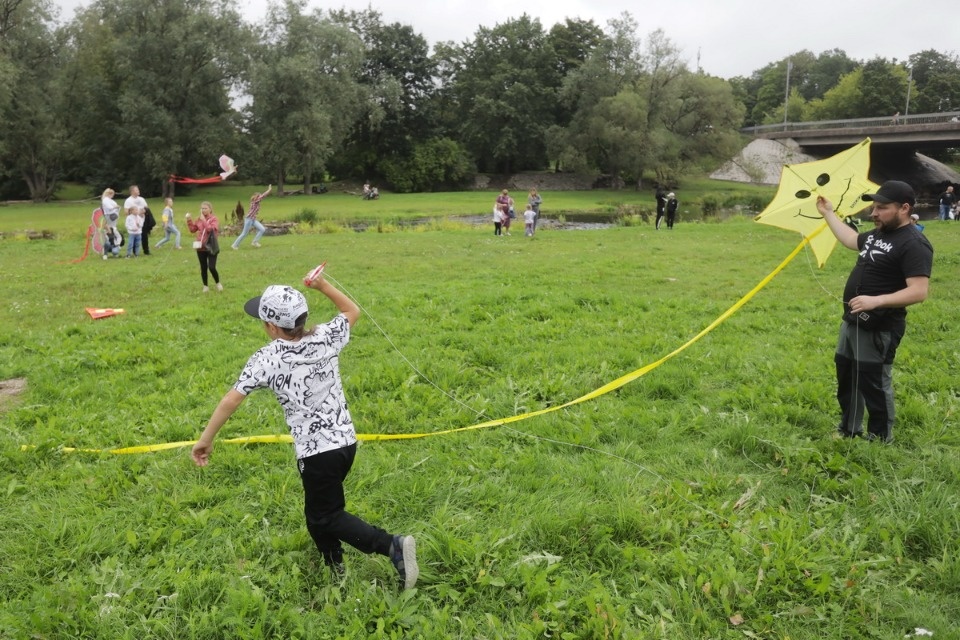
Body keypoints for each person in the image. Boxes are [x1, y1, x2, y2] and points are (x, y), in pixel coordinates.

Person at [190, 279, 418, 589]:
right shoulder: (325, 336)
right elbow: (352, 310)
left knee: (327, 515)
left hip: (317, 454)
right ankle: (334, 566)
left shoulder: (267, 358)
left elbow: (231, 400)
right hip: (346, 444)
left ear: (271, 326)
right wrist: (322, 285)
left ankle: (391, 545)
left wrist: (205, 439)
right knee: (317, 513)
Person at [816, 180, 934, 443]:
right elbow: (850, 239)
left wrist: (876, 301)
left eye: (882, 208)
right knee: (847, 375)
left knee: (874, 383)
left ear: (904, 208)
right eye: (874, 207)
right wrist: (828, 213)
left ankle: (880, 439)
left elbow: (919, 291)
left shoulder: (914, 243)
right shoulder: (878, 233)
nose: (874, 213)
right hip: (853, 320)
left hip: (880, 325)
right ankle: (849, 429)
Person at [185, 201, 222, 293]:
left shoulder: (214, 219)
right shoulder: (199, 219)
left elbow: (210, 229)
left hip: (211, 246)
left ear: (210, 209)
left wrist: (204, 221)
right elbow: (192, 230)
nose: (203, 210)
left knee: (212, 267)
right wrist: (189, 220)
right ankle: (205, 286)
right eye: (202, 208)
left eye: (205, 208)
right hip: (201, 247)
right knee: (203, 267)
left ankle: (218, 283)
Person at [232, 185, 272, 249]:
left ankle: (254, 242)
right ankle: (234, 245)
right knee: (244, 233)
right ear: (256, 197)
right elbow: (263, 196)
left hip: (253, 219)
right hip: (249, 219)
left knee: (262, 229)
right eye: (259, 196)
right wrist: (269, 190)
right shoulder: (255, 202)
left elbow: (261, 197)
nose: (260, 198)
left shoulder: (256, 202)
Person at [124, 185, 154, 256]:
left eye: (138, 189)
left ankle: (146, 251)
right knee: (135, 237)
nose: (138, 191)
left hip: (142, 220)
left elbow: (146, 208)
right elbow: (126, 212)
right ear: (132, 191)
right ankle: (135, 252)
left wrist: (144, 211)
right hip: (133, 222)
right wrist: (136, 213)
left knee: (144, 236)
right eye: (136, 190)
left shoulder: (142, 199)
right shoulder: (128, 200)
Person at [101, 188, 122, 259]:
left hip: (113, 216)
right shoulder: (105, 200)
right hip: (109, 215)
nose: (113, 195)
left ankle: (114, 249)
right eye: (112, 194)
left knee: (113, 229)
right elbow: (110, 208)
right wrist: (116, 207)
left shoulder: (110, 200)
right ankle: (105, 253)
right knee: (109, 230)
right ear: (109, 193)